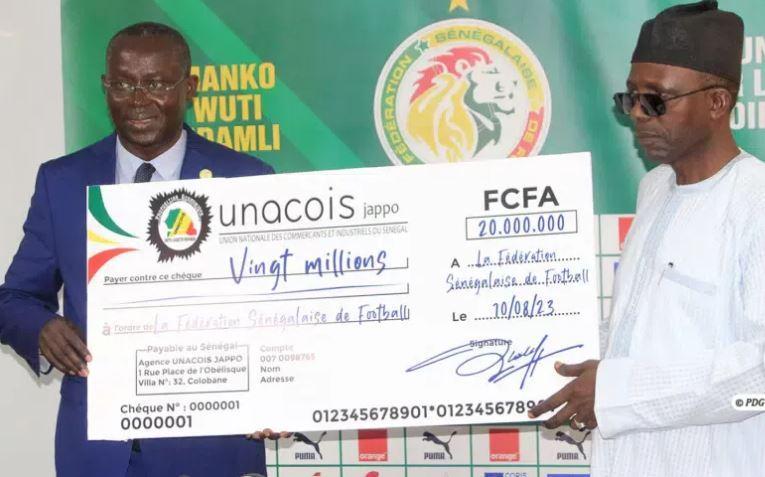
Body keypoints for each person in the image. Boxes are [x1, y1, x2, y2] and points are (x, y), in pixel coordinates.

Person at [0, 22, 284, 477]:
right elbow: (14, 298)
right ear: (105, 86)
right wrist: (42, 328)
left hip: (214, 448)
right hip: (98, 452)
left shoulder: (246, 178)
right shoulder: (62, 181)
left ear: (189, 88)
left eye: (156, 84)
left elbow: (281, 310)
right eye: (123, 84)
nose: (137, 99)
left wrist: (282, 394)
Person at [528, 2, 765, 475]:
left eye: (656, 100)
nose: (637, 114)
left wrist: (616, 392)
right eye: (630, 98)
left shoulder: (756, 202)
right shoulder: (654, 189)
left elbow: (758, 375)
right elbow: (642, 331)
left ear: (717, 103)